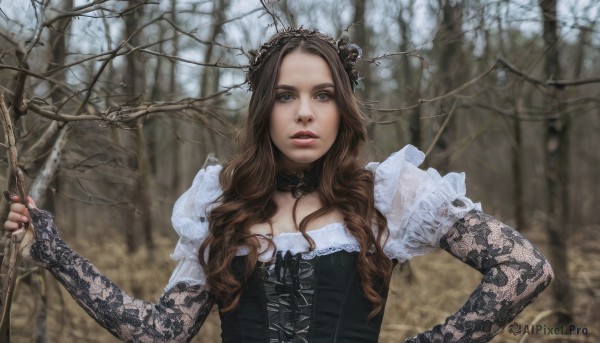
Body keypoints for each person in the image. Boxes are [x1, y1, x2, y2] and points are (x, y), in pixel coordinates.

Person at [4, 27, 553, 343]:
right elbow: (161, 332)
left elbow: (525, 269)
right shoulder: (220, 205)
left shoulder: (386, 193)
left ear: (344, 107)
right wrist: (51, 247)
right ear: (265, 109)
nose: (305, 113)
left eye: (323, 94)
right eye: (286, 96)